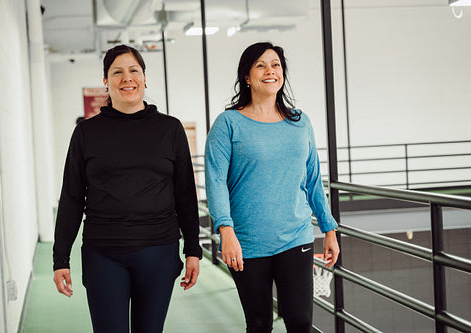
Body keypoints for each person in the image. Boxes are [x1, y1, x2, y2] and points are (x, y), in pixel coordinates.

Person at [53, 44, 202, 333]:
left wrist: (193, 249)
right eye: (117, 72)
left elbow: (185, 194)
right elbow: (71, 197)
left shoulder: (170, 129)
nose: (127, 78)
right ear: (106, 81)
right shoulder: (86, 132)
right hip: (103, 253)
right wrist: (61, 258)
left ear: (144, 78)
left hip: (159, 251)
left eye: (134, 71)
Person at [204, 42, 340, 333]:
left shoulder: (300, 122)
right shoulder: (228, 123)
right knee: (258, 322)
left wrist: (329, 228)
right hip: (247, 241)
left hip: (296, 236)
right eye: (261, 65)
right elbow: (215, 181)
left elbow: (313, 177)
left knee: (300, 322)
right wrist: (225, 231)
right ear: (247, 77)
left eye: (276, 65)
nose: (270, 71)